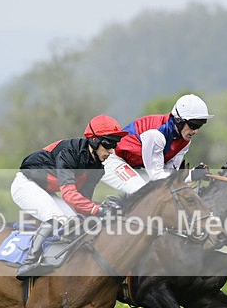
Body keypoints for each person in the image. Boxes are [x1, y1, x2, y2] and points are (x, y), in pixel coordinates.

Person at [11, 114, 128, 279]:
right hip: (25, 185)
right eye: (108, 144)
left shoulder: (98, 169)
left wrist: (105, 209)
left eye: (114, 144)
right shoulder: (70, 153)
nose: (111, 150)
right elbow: (69, 195)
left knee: (76, 221)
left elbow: (82, 204)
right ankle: (29, 262)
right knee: (58, 219)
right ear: (94, 140)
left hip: (45, 190)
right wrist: (98, 209)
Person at [102, 93, 213, 194]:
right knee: (143, 193)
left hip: (134, 165)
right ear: (179, 120)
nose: (195, 131)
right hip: (112, 160)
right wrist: (191, 175)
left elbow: (170, 174)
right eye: (193, 125)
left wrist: (191, 174)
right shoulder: (156, 135)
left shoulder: (184, 141)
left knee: (167, 193)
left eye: (200, 125)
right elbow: (157, 176)